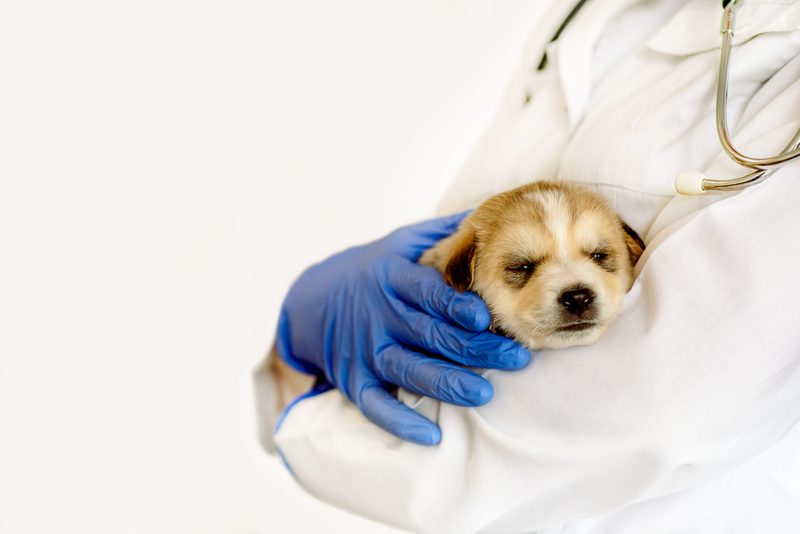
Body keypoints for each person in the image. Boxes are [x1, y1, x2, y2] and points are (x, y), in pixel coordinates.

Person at [255, 0, 800, 532]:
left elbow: (659, 407)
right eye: (522, 267)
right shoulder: (584, 16)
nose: (577, 287)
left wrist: (299, 410)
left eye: (600, 257)